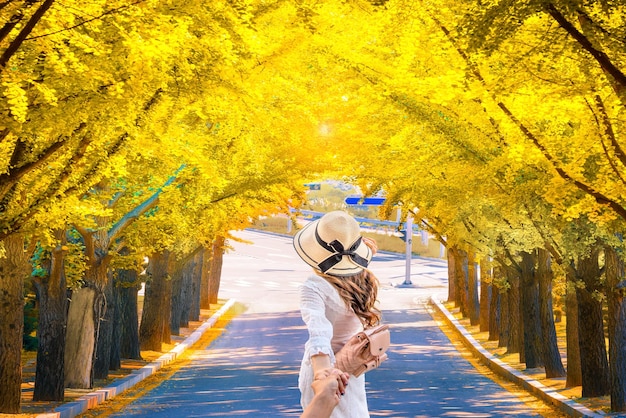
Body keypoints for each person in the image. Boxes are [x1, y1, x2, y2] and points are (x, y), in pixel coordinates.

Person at [293, 210, 382, 418]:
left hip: (331, 372)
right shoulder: (361, 280)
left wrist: (322, 372)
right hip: (352, 368)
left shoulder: (314, 285)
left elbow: (319, 331)